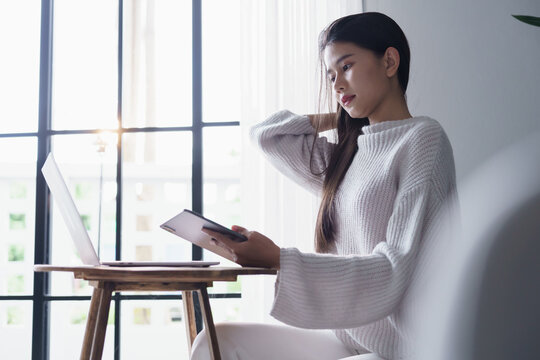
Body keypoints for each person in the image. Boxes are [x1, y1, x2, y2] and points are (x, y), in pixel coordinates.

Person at [192, 11, 458, 360]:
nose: (336, 85)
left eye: (346, 67)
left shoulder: (423, 139)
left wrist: (279, 259)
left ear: (390, 61)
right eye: (331, 75)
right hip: (348, 342)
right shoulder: (348, 156)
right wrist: (345, 115)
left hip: (402, 350)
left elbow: (394, 270)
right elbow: (267, 136)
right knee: (215, 342)